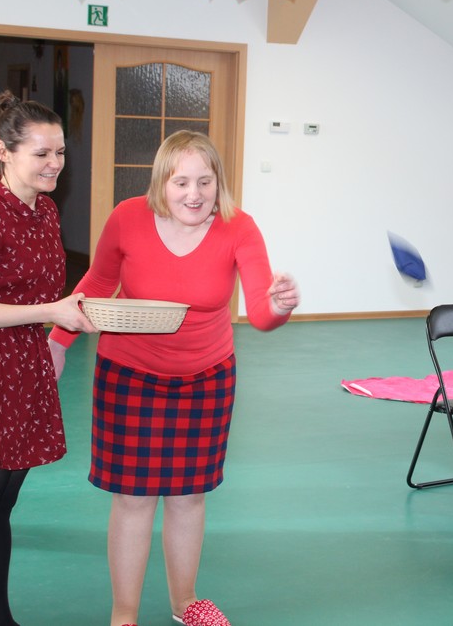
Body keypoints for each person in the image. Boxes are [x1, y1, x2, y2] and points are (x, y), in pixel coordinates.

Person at [48, 131, 299, 626]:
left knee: (188, 496)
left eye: (205, 181)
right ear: (161, 182)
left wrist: (280, 305)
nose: (194, 193)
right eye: (181, 181)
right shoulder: (128, 217)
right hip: (129, 374)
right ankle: (124, 614)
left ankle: (186, 604)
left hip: (207, 377)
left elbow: (261, 312)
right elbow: (98, 282)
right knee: (133, 498)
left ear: (218, 183)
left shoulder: (238, 227)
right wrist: (58, 342)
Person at [0, 91, 96, 626]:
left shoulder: (44, 211)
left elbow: (34, 291)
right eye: (41, 153)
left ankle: (0, 618)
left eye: (60, 152)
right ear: (4, 152)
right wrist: (48, 311)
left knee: (1, 508)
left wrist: (67, 312)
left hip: (21, 368)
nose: (55, 163)